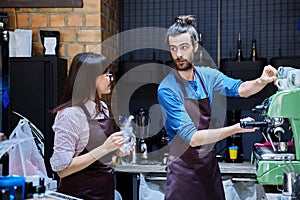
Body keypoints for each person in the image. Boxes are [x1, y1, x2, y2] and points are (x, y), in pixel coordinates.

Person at [157, 15, 278, 200]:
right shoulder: (167, 89)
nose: (179, 54)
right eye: (173, 49)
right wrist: (237, 128)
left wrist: (261, 81)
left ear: (195, 47)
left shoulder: (208, 76)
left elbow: (242, 89)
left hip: (209, 169)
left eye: (184, 47)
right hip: (183, 174)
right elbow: (194, 138)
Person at [50, 52, 131, 200]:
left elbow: (100, 156)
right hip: (78, 196)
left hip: (104, 194)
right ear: (89, 79)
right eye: (106, 75)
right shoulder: (70, 114)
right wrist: (105, 148)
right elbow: (62, 169)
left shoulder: (103, 108)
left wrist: (116, 151)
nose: (111, 79)